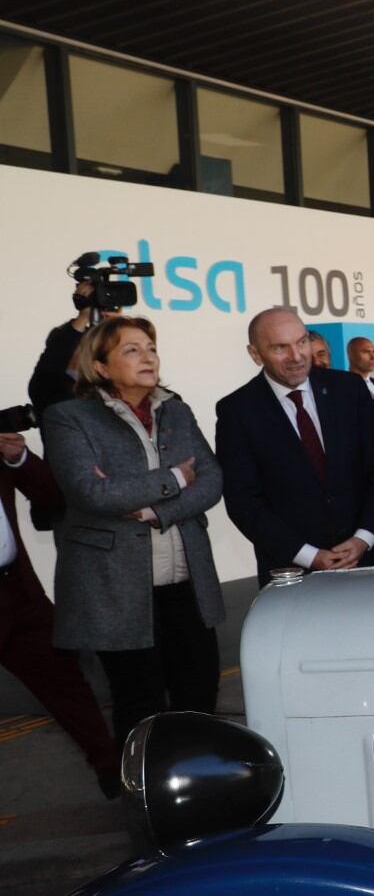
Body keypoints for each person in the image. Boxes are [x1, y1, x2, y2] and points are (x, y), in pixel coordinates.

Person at [42, 316, 225, 746]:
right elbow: (93, 492)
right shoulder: (69, 417)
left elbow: (213, 478)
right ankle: (144, 799)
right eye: (132, 350)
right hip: (116, 592)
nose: (148, 357)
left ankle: (199, 793)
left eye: (151, 348)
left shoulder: (176, 409)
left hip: (187, 587)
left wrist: (152, 512)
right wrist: (176, 479)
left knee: (199, 699)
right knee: (139, 706)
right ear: (102, 367)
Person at [215, 307, 374, 584]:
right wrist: (310, 556)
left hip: (366, 562)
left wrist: (364, 538)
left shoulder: (349, 389)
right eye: (280, 348)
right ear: (255, 354)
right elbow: (243, 501)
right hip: (292, 574)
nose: (297, 356)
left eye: (302, 342)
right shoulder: (237, 410)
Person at [0, 428, 119, 797]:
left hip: (17, 592)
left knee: (65, 681)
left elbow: (51, 497)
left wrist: (18, 458)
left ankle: (112, 774)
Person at [28, 271, 120, 417]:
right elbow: (59, 349)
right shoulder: (48, 389)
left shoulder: (116, 390)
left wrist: (117, 328)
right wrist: (84, 315)